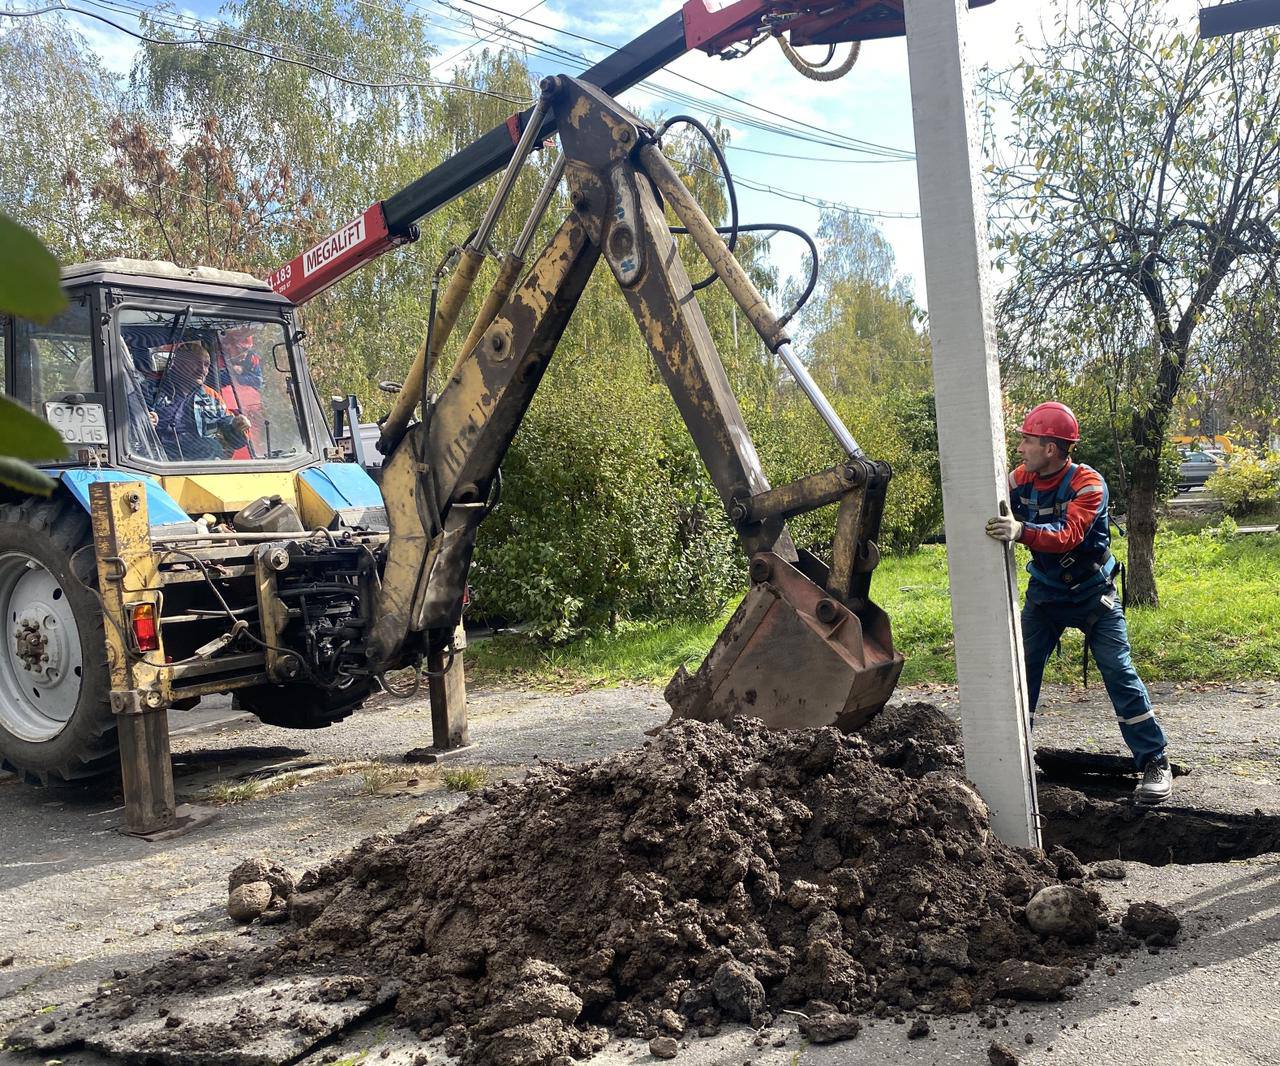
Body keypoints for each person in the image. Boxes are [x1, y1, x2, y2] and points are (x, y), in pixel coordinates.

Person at [985, 401, 1173, 805]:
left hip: (1092, 594)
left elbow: (1068, 534)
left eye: (1027, 440)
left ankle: (1154, 760)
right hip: (1047, 595)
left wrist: (1020, 530)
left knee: (1119, 672)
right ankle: (1012, 758)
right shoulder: (1023, 479)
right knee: (1021, 669)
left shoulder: (1089, 483)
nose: (1020, 448)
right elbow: (989, 489)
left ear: (1051, 448)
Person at [144, 341, 251, 461]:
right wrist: (144, 421)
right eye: (195, 363)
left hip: (199, 464)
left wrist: (237, 427)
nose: (202, 370)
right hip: (158, 461)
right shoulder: (149, 390)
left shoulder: (212, 396)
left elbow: (235, 441)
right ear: (177, 363)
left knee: (210, 446)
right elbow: (129, 428)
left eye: (206, 365)